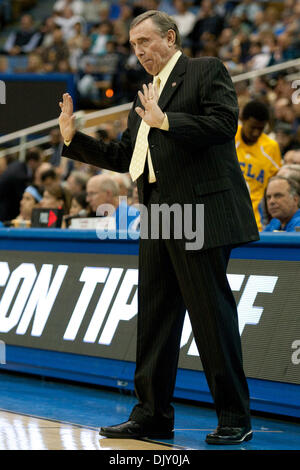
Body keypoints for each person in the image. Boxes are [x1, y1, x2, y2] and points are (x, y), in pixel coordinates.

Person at [59, 10, 259, 445]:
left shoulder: (206, 71)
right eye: (133, 46)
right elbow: (125, 157)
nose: (139, 51)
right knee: (154, 320)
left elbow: (225, 126)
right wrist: (75, 139)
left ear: (170, 38)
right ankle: (151, 413)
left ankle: (234, 416)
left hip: (200, 215)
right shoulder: (144, 93)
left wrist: (166, 121)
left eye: (145, 42)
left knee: (211, 317)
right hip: (158, 216)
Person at [235, 100, 282, 231]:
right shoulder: (230, 136)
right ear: (243, 120)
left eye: (260, 129)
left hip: (255, 222)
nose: (256, 133)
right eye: (253, 127)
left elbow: (274, 186)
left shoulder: (271, 147)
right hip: (227, 216)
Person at [0, 148, 41, 222]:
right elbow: (22, 198)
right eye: (39, 162)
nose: (40, 166)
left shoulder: (19, 166)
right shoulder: (20, 175)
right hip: (4, 209)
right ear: (32, 162)